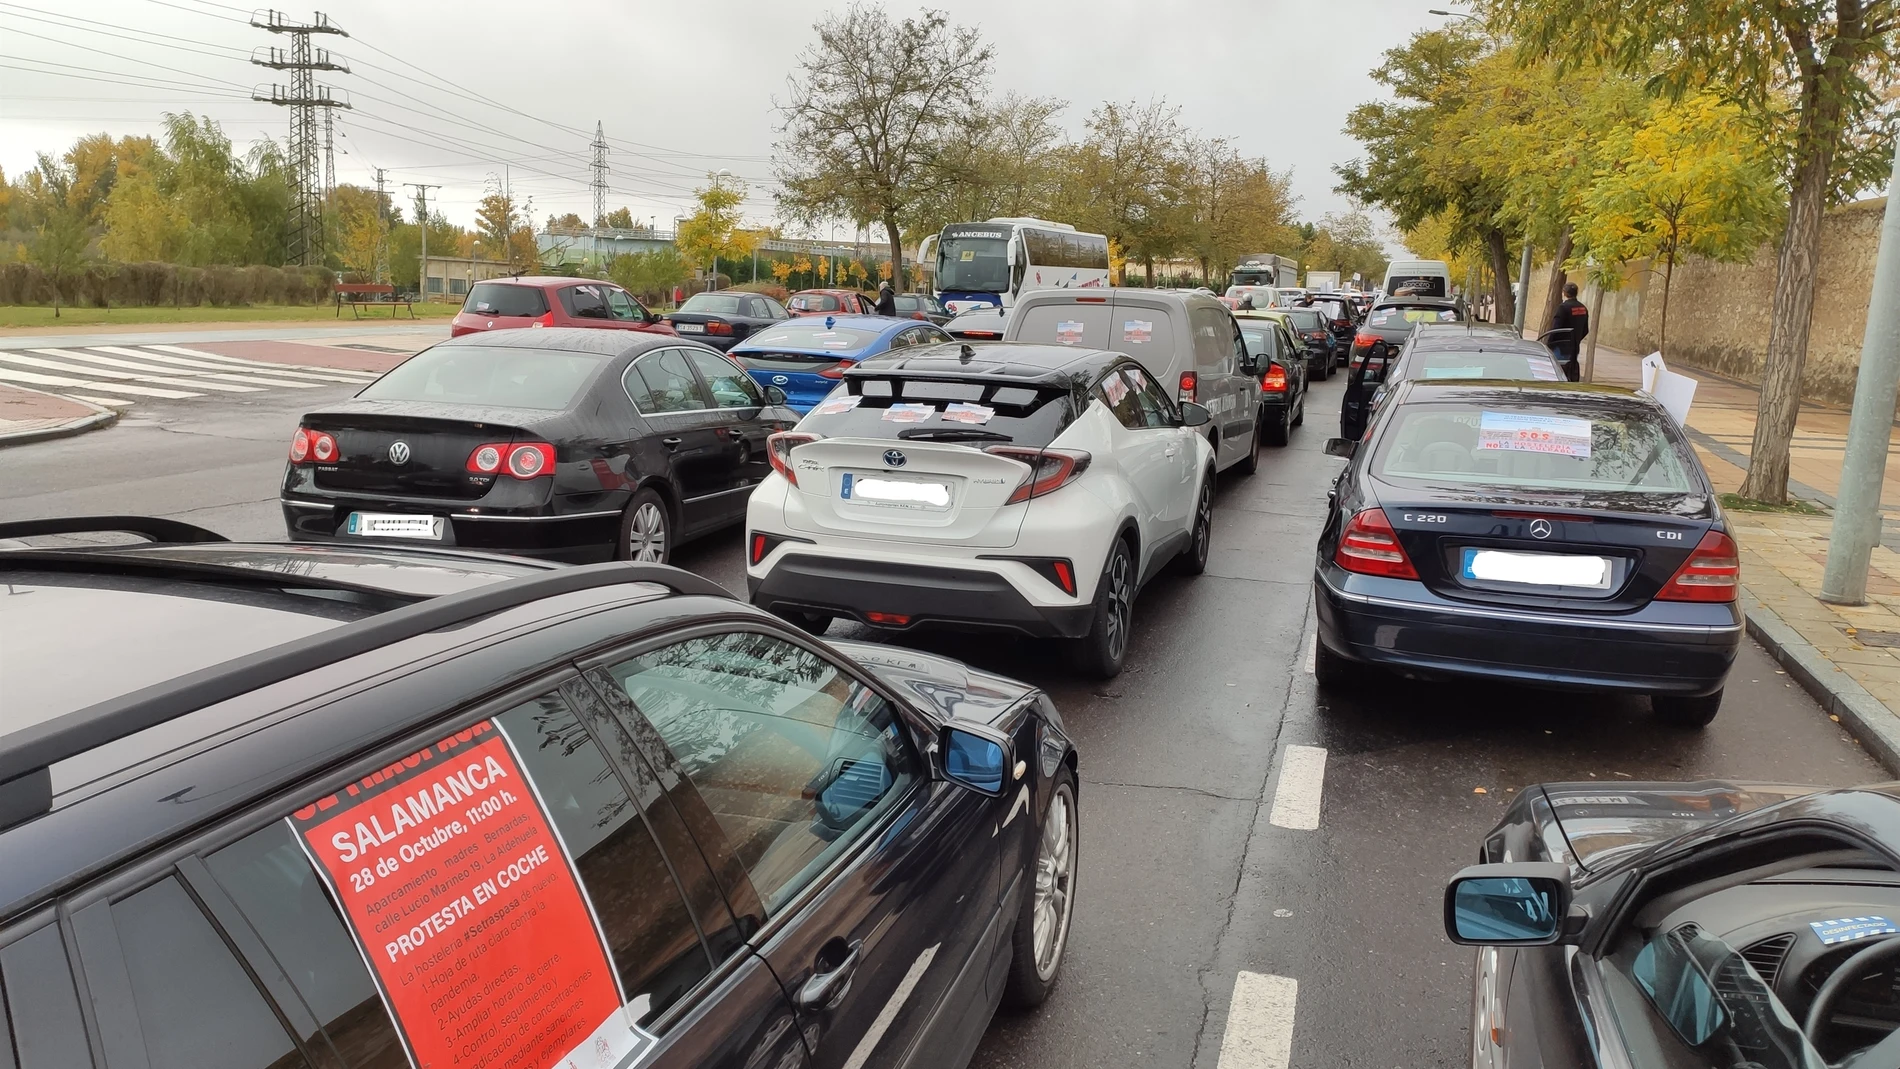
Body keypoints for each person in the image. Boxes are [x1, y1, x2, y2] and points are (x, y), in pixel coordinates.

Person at [1554, 282, 1589, 381]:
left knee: (1558, 372)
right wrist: (1576, 339)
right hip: (1574, 346)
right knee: (1571, 369)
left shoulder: (1563, 308)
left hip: (1560, 347)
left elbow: (1556, 329)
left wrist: (1550, 344)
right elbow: (1585, 330)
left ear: (1564, 293)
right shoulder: (1583, 308)